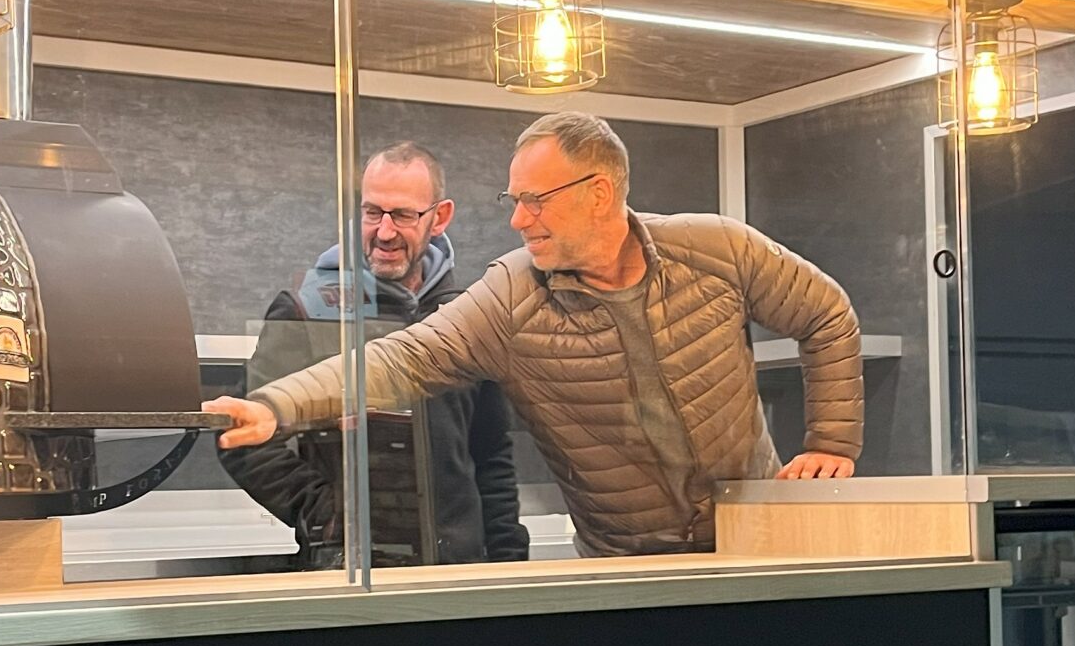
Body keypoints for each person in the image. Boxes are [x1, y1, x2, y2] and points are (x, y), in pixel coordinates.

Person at [207, 111, 860, 560]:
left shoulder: (717, 249)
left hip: (760, 539)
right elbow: (402, 358)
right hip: (626, 568)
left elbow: (826, 314)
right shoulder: (509, 296)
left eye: (536, 200)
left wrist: (831, 441)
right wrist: (275, 406)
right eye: (514, 200)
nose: (518, 220)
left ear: (598, 194)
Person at [227, 141, 530, 566]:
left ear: (440, 217)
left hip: (457, 571)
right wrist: (327, 514)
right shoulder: (308, 311)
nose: (385, 232)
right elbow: (240, 439)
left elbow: (491, 454)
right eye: (373, 212)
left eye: (403, 215)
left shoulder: (468, 316)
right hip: (350, 568)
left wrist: (508, 558)